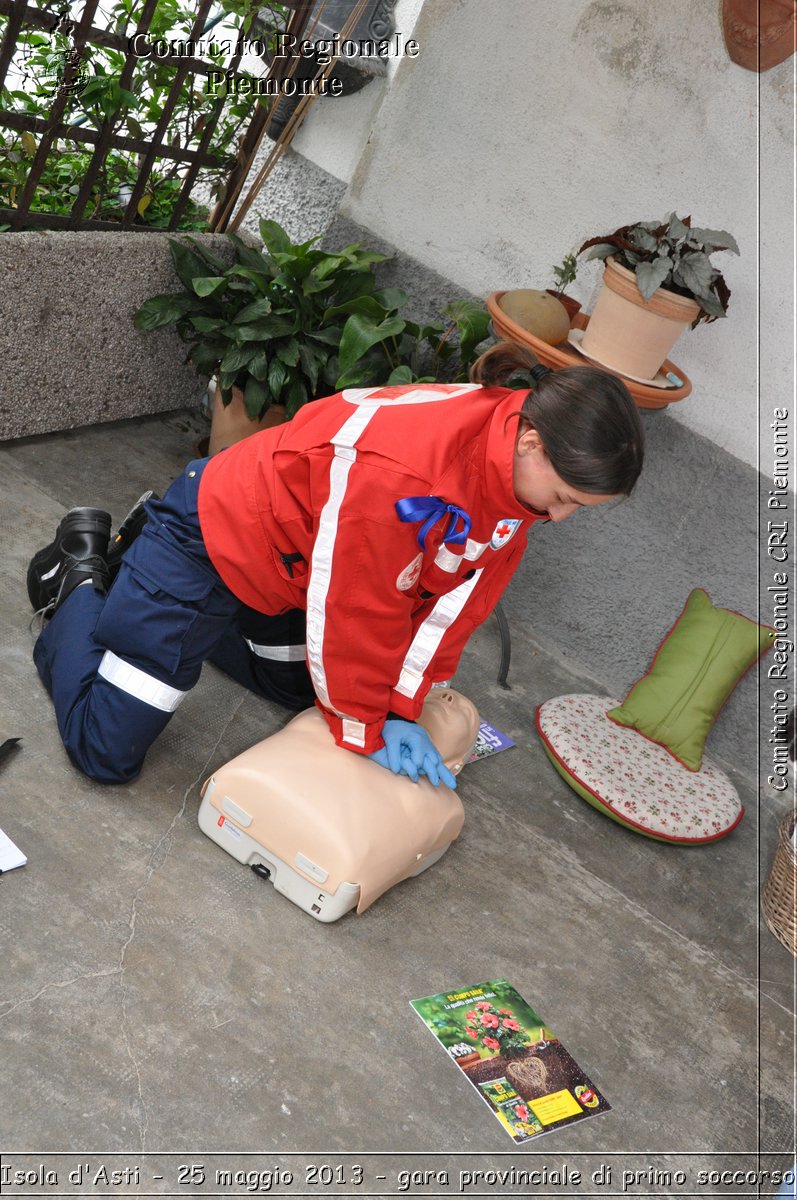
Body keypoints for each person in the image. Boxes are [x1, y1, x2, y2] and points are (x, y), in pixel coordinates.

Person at [27, 343, 644, 786]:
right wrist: (368, 730)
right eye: (565, 498)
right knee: (104, 751)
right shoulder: (402, 470)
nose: (560, 518)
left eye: (579, 509)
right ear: (532, 443)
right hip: (211, 537)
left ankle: (161, 610)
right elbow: (357, 605)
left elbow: (457, 606)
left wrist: (401, 707)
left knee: (302, 689)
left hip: (289, 570)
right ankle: (86, 574)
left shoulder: (515, 463)